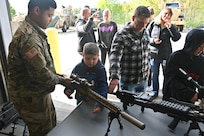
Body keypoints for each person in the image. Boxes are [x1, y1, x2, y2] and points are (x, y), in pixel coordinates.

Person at [7, 0, 72, 135]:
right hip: (30, 96)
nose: (51, 19)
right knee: (43, 131)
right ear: (37, 11)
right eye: (49, 15)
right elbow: (41, 74)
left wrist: (60, 77)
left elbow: (42, 67)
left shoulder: (33, 31)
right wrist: (62, 81)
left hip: (36, 92)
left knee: (51, 124)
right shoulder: (28, 38)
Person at [108, 6, 150, 93]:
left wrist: (148, 68)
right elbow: (115, 57)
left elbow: (147, 52)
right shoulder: (122, 35)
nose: (143, 26)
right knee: (127, 106)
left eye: (146, 23)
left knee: (141, 105)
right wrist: (114, 77)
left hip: (143, 80)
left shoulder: (145, 32)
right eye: (140, 22)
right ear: (133, 18)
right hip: (128, 82)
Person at [146, 7, 181, 97]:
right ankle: (155, 92)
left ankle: (166, 93)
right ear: (161, 13)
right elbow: (145, 36)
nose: (166, 16)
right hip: (154, 54)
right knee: (154, 75)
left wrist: (171, 27)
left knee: (167, 75)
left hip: (166, 55)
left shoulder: (170, 26)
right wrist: (153, 41)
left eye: (169, 15)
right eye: (165, 13)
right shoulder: (154, 24)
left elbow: (176, 38)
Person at [64, 42, 108, 113]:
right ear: (83, 55)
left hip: (96, 101)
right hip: (80, 100)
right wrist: (69, 90)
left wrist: (100, 104)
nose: (91, 62)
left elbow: (103, 87)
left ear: (98, 56)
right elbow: (72, 81)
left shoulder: (100, 69)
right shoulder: (78, 68)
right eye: (87, 58)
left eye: (94, 59)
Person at [163, 29, 204, 103]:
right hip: (171, 99)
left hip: (189, 101)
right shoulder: (175, 57)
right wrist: (190, 95)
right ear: (192, 43)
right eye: (200, 46)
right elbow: (170, 81)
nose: (202, 50)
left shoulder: (201, 61)